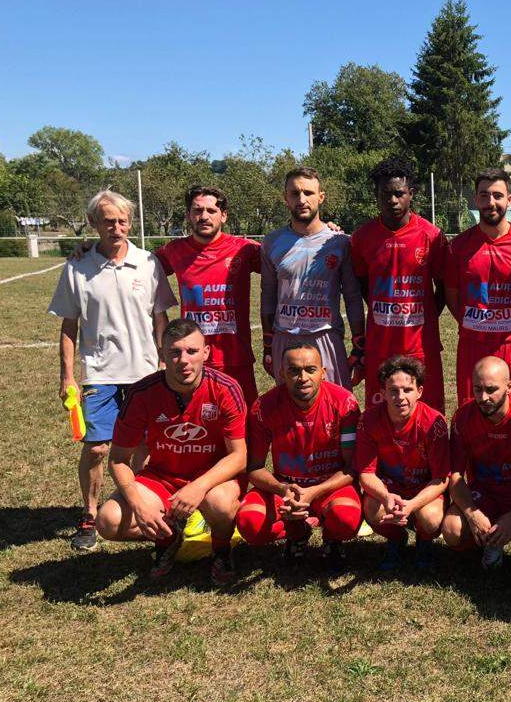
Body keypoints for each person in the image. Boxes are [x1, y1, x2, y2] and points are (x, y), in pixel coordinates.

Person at [48, 190, 176, 551]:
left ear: (130, 223)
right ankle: (89, 515)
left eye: (122, 221)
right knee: (99, 447)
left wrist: (164, 362)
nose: (116, 228)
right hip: (99, 373)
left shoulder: (148, 263)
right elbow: (69, 327)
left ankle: (134, 505)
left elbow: (160, 318)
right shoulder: (77, 267)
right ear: (93, 223)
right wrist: (67, 376)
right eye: (107, 221)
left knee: (144, 444)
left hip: (145, 372)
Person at [93, 319, 247, 583]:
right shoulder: (142, 392)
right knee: (108, 520)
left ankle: (221, 550)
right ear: (162, 355)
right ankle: (169, 536)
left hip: (212, 478)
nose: (183, 360)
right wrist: (138, 505)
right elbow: (118, 459)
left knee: (220, 504)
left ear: (206, 353)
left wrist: (198, 487)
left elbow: (239, 456)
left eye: (192, 351)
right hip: (161, 478)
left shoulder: (226, 388)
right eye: (174, 352)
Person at [234, 343, 363, 574]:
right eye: (293, 370)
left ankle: (332, 537)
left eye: (310, 369)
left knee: (345, 519)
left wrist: (314, 492)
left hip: (329, 485)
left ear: (323, 372)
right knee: (249, 524)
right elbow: (254, 468)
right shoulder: (263, 407)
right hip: (286, 485)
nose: (302, 377)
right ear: (281, 373)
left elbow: (352, 468)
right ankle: (297, 532)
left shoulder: (345, 403)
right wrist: (283, 490)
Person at [350, 156, 447, 410]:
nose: (392, 200)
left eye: (399, 193)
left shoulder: (432, 236)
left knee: (426, 415)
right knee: (381, 415)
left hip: (421, 346)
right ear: (376, 195)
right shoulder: (362, 238)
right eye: (385, 194)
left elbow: (445, 287)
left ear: (410, 194)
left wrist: (423, 313)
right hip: (380, 345)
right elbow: (363, 285)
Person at [152, 186, 263, 405]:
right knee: (199, 426)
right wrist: (95, 249)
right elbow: (134, 264)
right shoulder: (173, 250)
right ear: (188, 215)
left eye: (211, 211)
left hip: (235, 358)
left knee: (244, 426)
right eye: (197, 210)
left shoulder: (245, 249)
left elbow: (286, 257)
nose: (204, 216)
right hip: (192, 359)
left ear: (223, 215)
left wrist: (321, 229)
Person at [445, 168, 511, 402]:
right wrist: (472, 323)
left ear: (509, 200)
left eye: (497, 195)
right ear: (475, 199)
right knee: (471, 413)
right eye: (484, 195)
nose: (490, 202)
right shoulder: (458, 247)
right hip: (472, 345)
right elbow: (452, 297)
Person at [261, 167, 365, 389]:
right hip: (285, 337)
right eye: (294, 193)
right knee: (289, 410)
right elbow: (268, 295)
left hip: (325, 336)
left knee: (337, 408)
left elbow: (353, 296)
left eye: (308, 192)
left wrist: (359, 345)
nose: (301, 199)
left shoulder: (339, 242)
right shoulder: (271, 242)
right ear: (285, 198)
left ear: (321, 197)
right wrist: (268, 345)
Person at [441, 356, 511, 574]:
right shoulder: (463, 417)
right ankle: (489, 540)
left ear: (509, 387)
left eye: (491, 389)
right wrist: (472, 513)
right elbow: (455, 474)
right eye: (477, 389)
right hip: (485, 493)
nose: (483, 397)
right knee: (452, 529)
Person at [355, 356, 450, 572]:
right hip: (391, 490)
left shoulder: (434, 423)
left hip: (423, 490)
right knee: (371, 508)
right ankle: (396, 539)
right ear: (383, 392)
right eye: (393, 390)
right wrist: (386, 496)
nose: (401, 397)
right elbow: (366, 474)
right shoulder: (368, 420)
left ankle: (425, 542)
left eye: (407, 389)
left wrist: (412, 505)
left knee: (431, 518)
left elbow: (441, 478)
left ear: (420, 391)